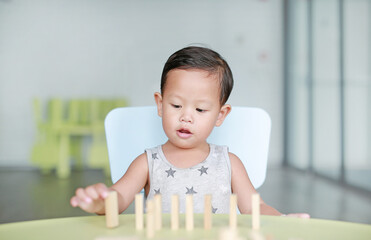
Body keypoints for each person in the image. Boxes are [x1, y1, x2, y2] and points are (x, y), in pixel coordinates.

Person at [70, 46, 309, 218]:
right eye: (176, 106)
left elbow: (255, 209)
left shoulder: (229, 162)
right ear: (160, 105)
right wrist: (101, 203)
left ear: (220, 115)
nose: (186, 116)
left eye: (201, 109)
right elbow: (118, 198)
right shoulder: (148, 162)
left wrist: (282, 221)